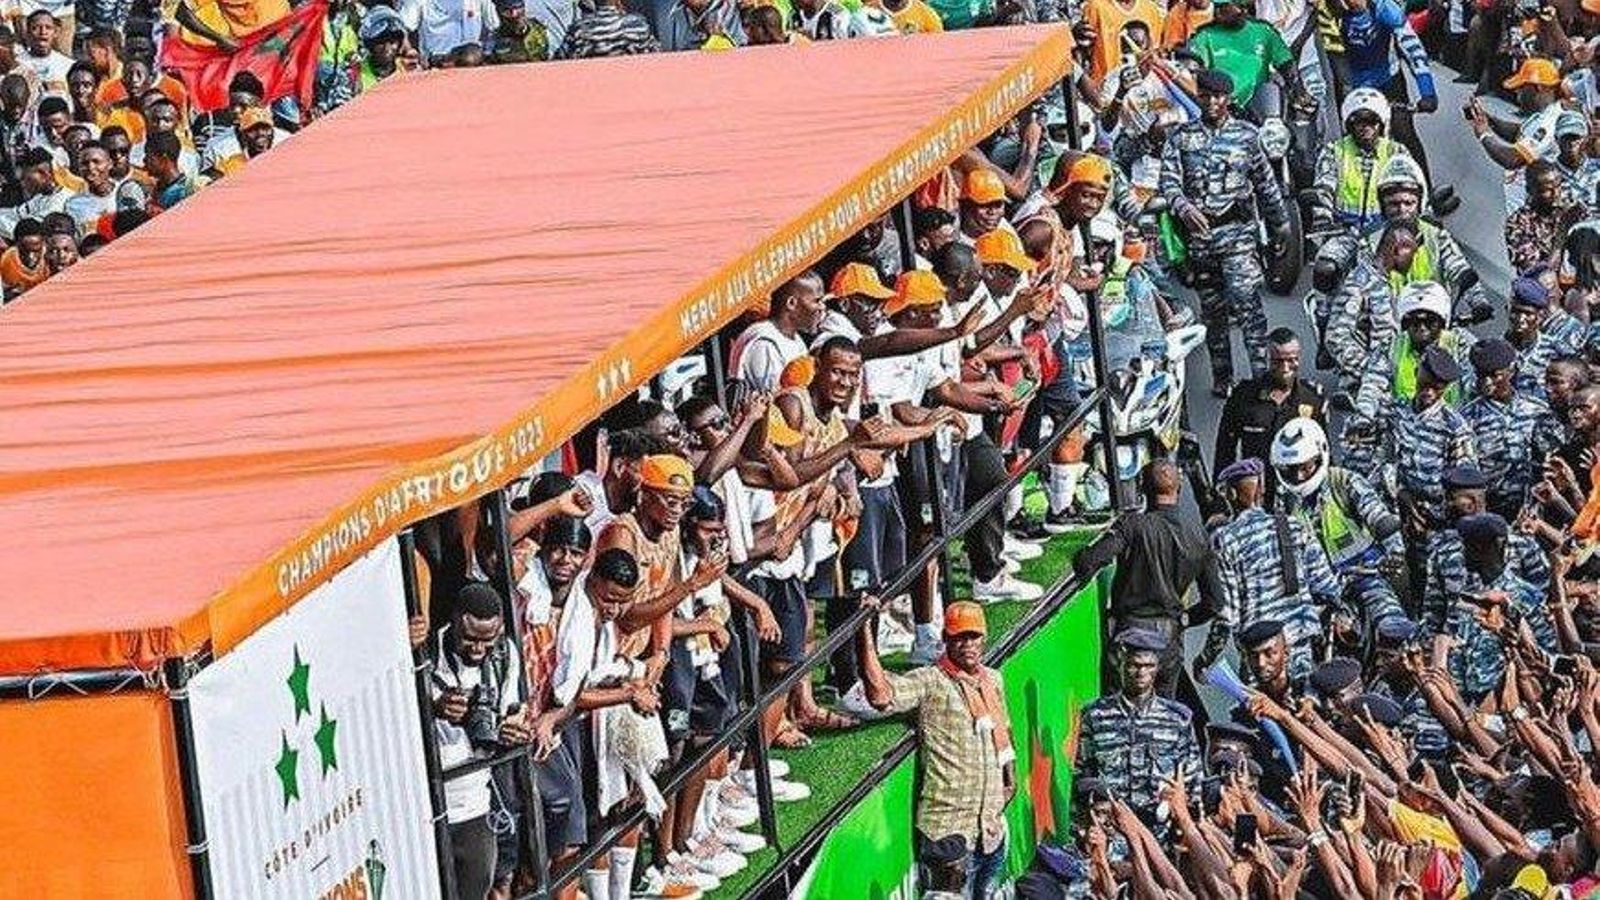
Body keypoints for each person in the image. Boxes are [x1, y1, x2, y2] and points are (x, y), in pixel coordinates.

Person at [857, 600, 1016, 898]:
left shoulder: (993, 680)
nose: (967, 645)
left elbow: (1004, 732)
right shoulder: (930, 680)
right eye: (959, 637)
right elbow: (881, 696)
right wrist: (863, 630)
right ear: (945, 639)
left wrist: (1010, 781)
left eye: (973, 636)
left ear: (984, 638)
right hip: (949, 834)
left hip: (992, 831)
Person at [1159, 67, 1289, 397]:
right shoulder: (1181, 137)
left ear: (1228, 98)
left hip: (1238, 235)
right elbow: (1169, 182)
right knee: (1213, 312)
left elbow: (1265, 184)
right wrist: (1183, 207)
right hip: (1201, 241)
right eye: (1205, 96)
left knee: (1247, 305)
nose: (1212, 103)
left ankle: (1262, 378)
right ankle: (1223, 377)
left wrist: (1281, 226)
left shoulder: (1247, 136)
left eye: (1218, 97)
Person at [1073, 459, 1224, 696]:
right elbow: (1215, 603)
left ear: (1141, 488)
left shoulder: (1133, 526)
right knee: (1164, 712)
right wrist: (1184, 620)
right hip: (1168, 640)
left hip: (1128, 635)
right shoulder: (1199, 536)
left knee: (1118, 709)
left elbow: (1089, 561)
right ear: (1179, 487)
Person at [430, 583, 529, 900]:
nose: (478, 649)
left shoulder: (504, 654)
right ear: (454, 621)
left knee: (477, 886)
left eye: (487, 640)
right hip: (427, 803)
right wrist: (433, 707)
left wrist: (512, 731)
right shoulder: (425, 654)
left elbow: (512, 711)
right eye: (469, 639)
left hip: (474, 801)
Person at [1201, 457, 1342, 679]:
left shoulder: (1224, 540)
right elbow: (1328, 588)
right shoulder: (1294, 526)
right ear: (1262, 490)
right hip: (1300, 647)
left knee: (1259, 702)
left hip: (1258, 655)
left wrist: (1206, 658)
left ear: (1231, 494)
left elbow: (1226, 615)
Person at [1271, 416, 1407, 644]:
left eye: (1305, 467)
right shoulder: (1283, 501)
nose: (1299, 476)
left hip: (1365, 573)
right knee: (1284, 641)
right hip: (1317, 587)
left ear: (1321, 455)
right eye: (1291, 470)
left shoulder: (1345, 481)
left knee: (1392, 625)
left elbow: (1376, 513)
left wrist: (1395, 552)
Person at [1076, 628, 1202, 827]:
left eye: (1148, 666)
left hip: (1161, 829)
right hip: (1112, 829)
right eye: (1134, 665)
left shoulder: (1177, 719)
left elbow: (1193, 779)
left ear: (1157, 668)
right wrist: (1083, 827)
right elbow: (1082, 777)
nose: (1141, 673)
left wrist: (1189, 823)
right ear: (1121, 663)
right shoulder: (1096, 715)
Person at [1214, 328, 1328, 505]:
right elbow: (1225, 450)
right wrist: (1220, 499)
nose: (1285, 368)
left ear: (1299, 358)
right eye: (1278, 361)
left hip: (1299, 493)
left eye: (1292, 360)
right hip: (1257, 496)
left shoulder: (1312, 399)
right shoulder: (1243, 397)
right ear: (1268, 359)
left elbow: (1325, 452)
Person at [1462, 338, 1565, 521]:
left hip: (1532, 509)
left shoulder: (1537, 411)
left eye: (1495, 375)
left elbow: (1551, 464)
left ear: (1511, 371)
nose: (1487, 381)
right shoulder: (1467, 417)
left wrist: (1539, 506)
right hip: (1487, 510)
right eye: (1481, 375)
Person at [1470, 56, 1567, 216]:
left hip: (1532, 213)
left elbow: (1512, 159)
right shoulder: (1541, 115)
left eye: (1521, 87)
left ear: (1538, 88)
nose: (1516, 91)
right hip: (1521, 207)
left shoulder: (1548, 122)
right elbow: (1520, 133)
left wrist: (1484, 134)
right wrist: (1488, 119)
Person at [1311, 87, 1412, 235]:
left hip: (1385, 231)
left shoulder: (1396, 151)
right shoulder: (1334, 150)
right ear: (1350, 124)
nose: (1366, 127)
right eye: (1359, 121)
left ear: (1382, 124)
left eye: (1372, 121)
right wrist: (1322, 216)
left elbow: (1411, 190)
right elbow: (1324, 185)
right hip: (1342, 230)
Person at [1186, 0, 1305, 119]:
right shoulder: (1205, 35)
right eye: (1218, 7)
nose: (1218, 13)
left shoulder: (1263, 31)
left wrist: (1297, 90)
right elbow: (1193, 67)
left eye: (1226, 7)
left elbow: (1286, 63)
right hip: (1222, 109)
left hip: (1261, 106)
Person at [1505, 276, 1585, 396]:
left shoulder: (1557, 350)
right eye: (1516, 312)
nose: (1520, 319)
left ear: (1540, 316)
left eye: (1528, 314)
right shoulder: (1500, 348)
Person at [1505, 160, 1585, 276]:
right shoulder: (1518, 224)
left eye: (1558, 186)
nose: (1556, 194)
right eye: (1546, 190)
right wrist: (1562, 233)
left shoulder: (1568, 208)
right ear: (1529, 190)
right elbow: (1540, 275)